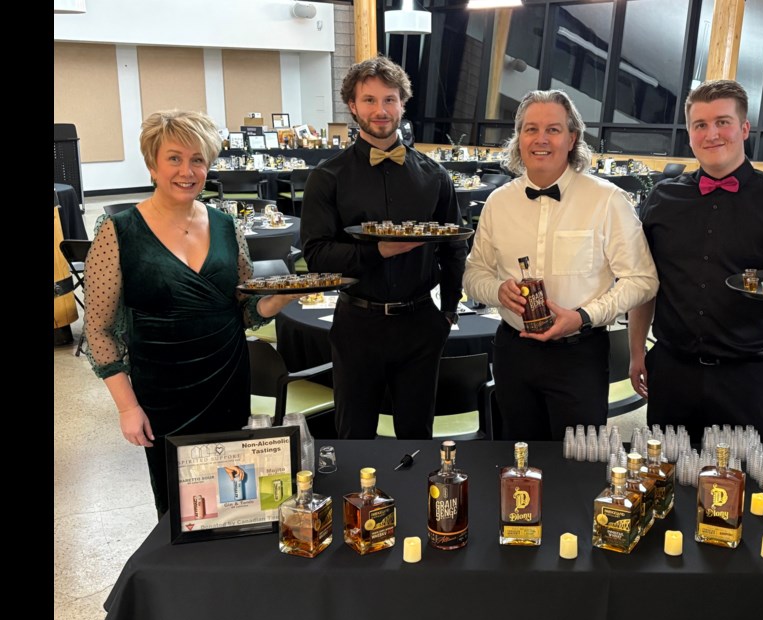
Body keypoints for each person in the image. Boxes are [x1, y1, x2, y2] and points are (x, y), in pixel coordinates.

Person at [84, 110, 298, 517]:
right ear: (152, 164)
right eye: (174, 158)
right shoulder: (119, 232)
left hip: (227, 380)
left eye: (197, 159)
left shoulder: (224, 225)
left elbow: (247, 310)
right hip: (162, 391)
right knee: (180, 510)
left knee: (235, 500)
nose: (187, 170)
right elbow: (98, 330)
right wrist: (128, 407)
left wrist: (282, 296)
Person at [627, 79, 763, 446]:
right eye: (700, 124)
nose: (712, 134)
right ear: (689, 135)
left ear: (744, 128)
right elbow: (645, 284)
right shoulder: (662, 198)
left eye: (723, 122)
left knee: (744, 491)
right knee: (667, 485)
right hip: (671, 370)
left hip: (749, 378)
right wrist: (638, 351)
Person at [463, 89, 659, 441]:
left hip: (579, 356)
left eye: (553, 129)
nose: (541, 139)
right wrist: (496, 290)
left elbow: (642, 279)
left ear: (572, 138)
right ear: (518, 138)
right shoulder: (497, 202)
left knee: (577, 469)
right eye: (530, 129)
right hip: (513, 352)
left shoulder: (607, 200)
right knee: (518, 460)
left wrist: (584, 315)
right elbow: (473, 274)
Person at [300, 56, 466, 440]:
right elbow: (317, 255)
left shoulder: (434, 175)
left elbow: (453, 247)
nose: (380, 110)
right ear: (353, 106)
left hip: (421, 322)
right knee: (354, 436)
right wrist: (378, 252)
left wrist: (449, 312)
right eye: (370, 100)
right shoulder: (327, 177)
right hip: (357, 323)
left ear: (402, 104)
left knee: (417, 436)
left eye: (389, 99)